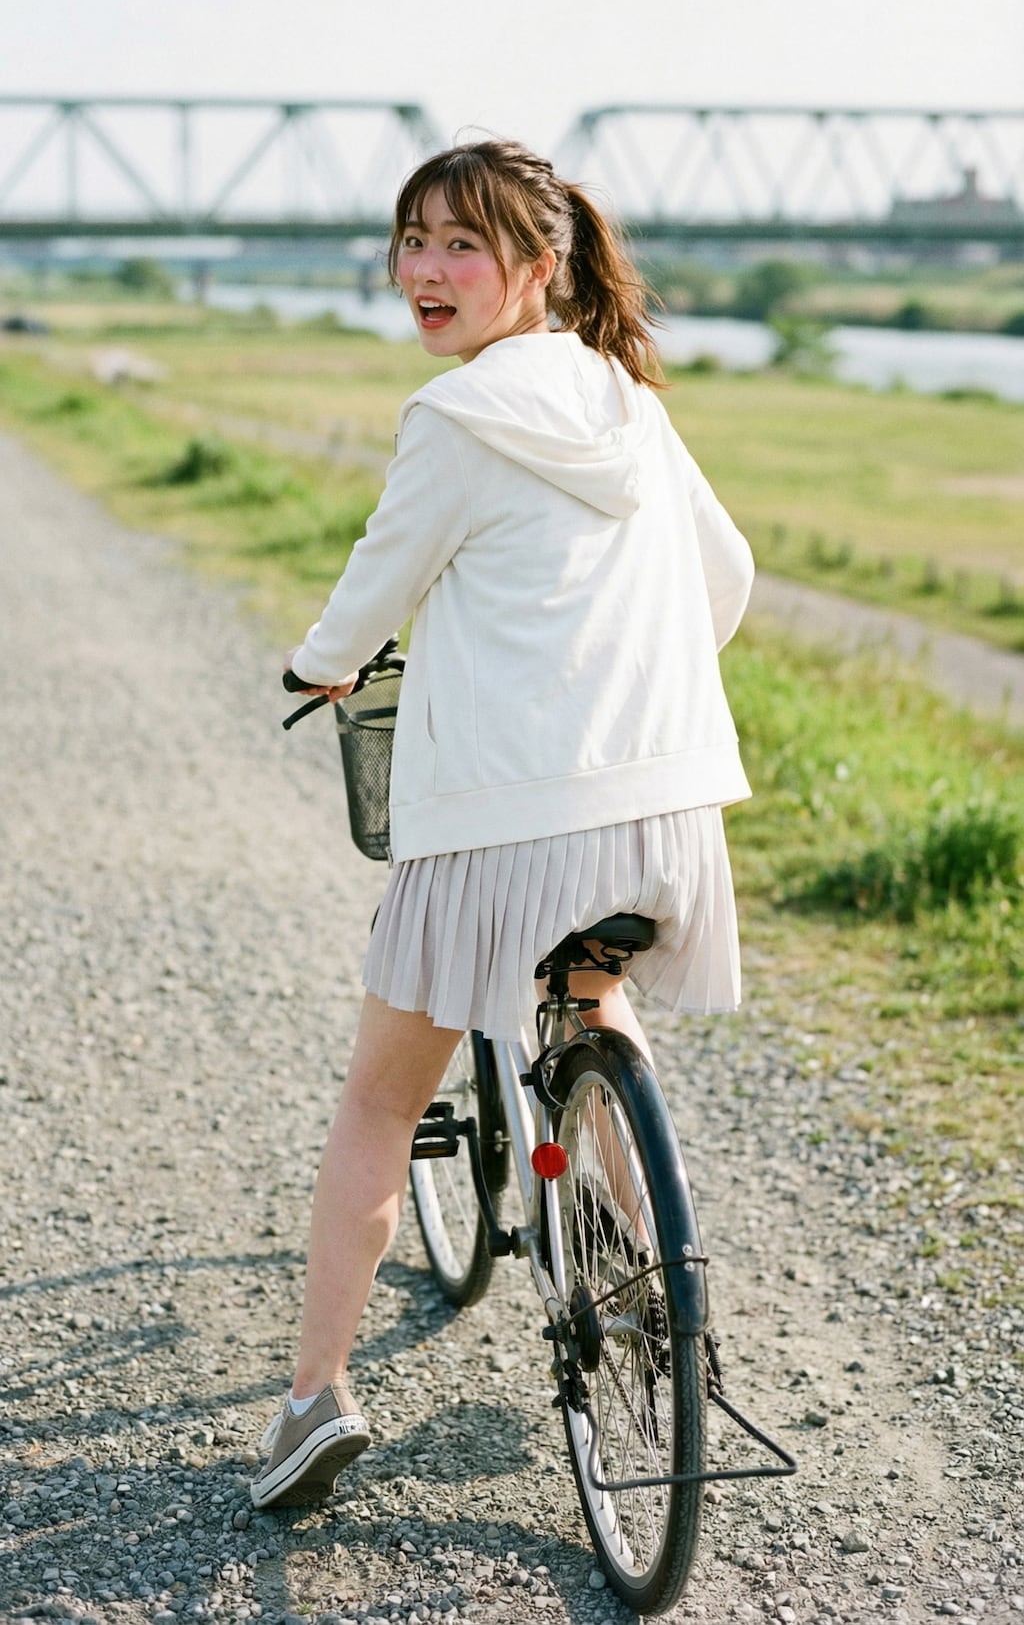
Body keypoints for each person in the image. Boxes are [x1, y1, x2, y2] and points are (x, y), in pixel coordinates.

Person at [249, 138, 754, 1509]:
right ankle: (658, 1298)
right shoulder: (628, 401)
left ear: (539, 269)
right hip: (664, 808)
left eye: (460, 244)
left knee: (375, 1100)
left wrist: (320, 663)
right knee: (592, 997)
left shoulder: (457, 415)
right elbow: (730, 574)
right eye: (411, 239)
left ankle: (309, 1407)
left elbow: (376, 586)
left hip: (502, 828)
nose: (425, 269)